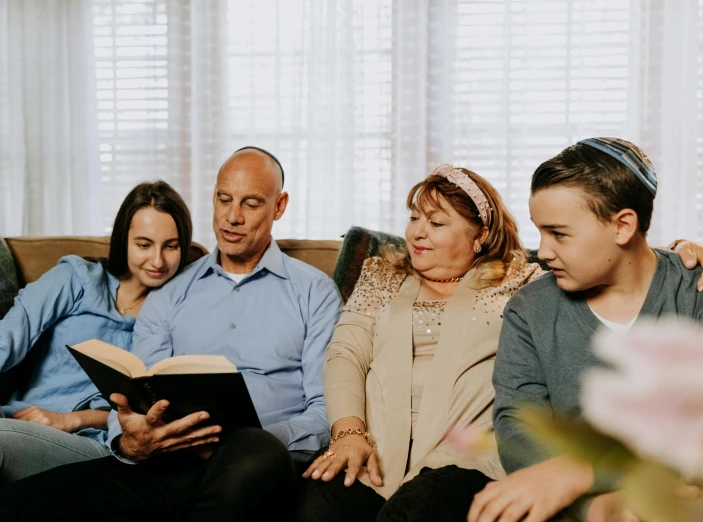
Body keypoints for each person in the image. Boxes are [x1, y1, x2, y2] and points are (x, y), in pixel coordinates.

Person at [0, 146, 343, 522]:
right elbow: (134, 391)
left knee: (252, 450)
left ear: (279, 206)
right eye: (223, 199)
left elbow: (324, 410)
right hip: (164, 459)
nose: (232, 217)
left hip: (258, 459)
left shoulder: (314, 292)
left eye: (251, 203)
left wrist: (239, 441)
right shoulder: (170, 293)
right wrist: (130, 439)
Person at [0, 180, 193, 522]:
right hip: (9, 413)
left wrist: (68, 419)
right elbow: (5, 339)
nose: (157, 260)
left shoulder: (179, 314)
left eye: (171, 246)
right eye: (144, 244)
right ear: (123, 239)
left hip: (89, 441)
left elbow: (147, 410)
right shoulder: (77, 279)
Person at [468, 138, 703, 522]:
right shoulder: (530, 310)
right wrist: (594, 502)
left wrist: (583, 471)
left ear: (623, 225)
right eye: (540, 232)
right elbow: (517, 430)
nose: (541, 251)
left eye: (559, 234)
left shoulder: (694, 294)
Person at [298, 165, 544, 522]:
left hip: (466, 455)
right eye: (414, 218)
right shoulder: (381, 275)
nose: (417, 233)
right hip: (373, 447)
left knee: (410, 514)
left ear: (481, 235)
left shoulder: (520, 282)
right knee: (315, 511)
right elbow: (345, 353)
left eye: (437, 223)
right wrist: (348, 432)